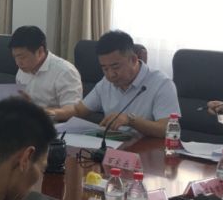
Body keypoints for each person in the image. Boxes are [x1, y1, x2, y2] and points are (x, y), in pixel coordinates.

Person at [52, 30, 180, 137]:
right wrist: (49, 114)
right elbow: (78, 110)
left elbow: (167, 129)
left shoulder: (161, 84)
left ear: (133, 59)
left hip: (145, 151)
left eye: (115, 67)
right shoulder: (106, 82)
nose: (110, 75)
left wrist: (131, 120)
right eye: (105, 68)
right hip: (111, 146)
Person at [10, 25, 82, 110]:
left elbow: (72, 111)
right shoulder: (22, 70)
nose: (17, 63)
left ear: (40, 52)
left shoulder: (65, 72)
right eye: (15, 57)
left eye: (22, 57)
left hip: (53, 119)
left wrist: (34, 109)